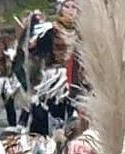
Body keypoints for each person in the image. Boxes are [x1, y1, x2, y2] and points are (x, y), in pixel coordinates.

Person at [27, 0, 80, 135]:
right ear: (60, 9)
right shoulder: (51, 30)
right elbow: (34, 51)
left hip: (74, 79)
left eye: (74, 7)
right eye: (67, 7)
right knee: (53, 114)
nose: (70, 11)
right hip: (55, 79)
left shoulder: (81, 33)